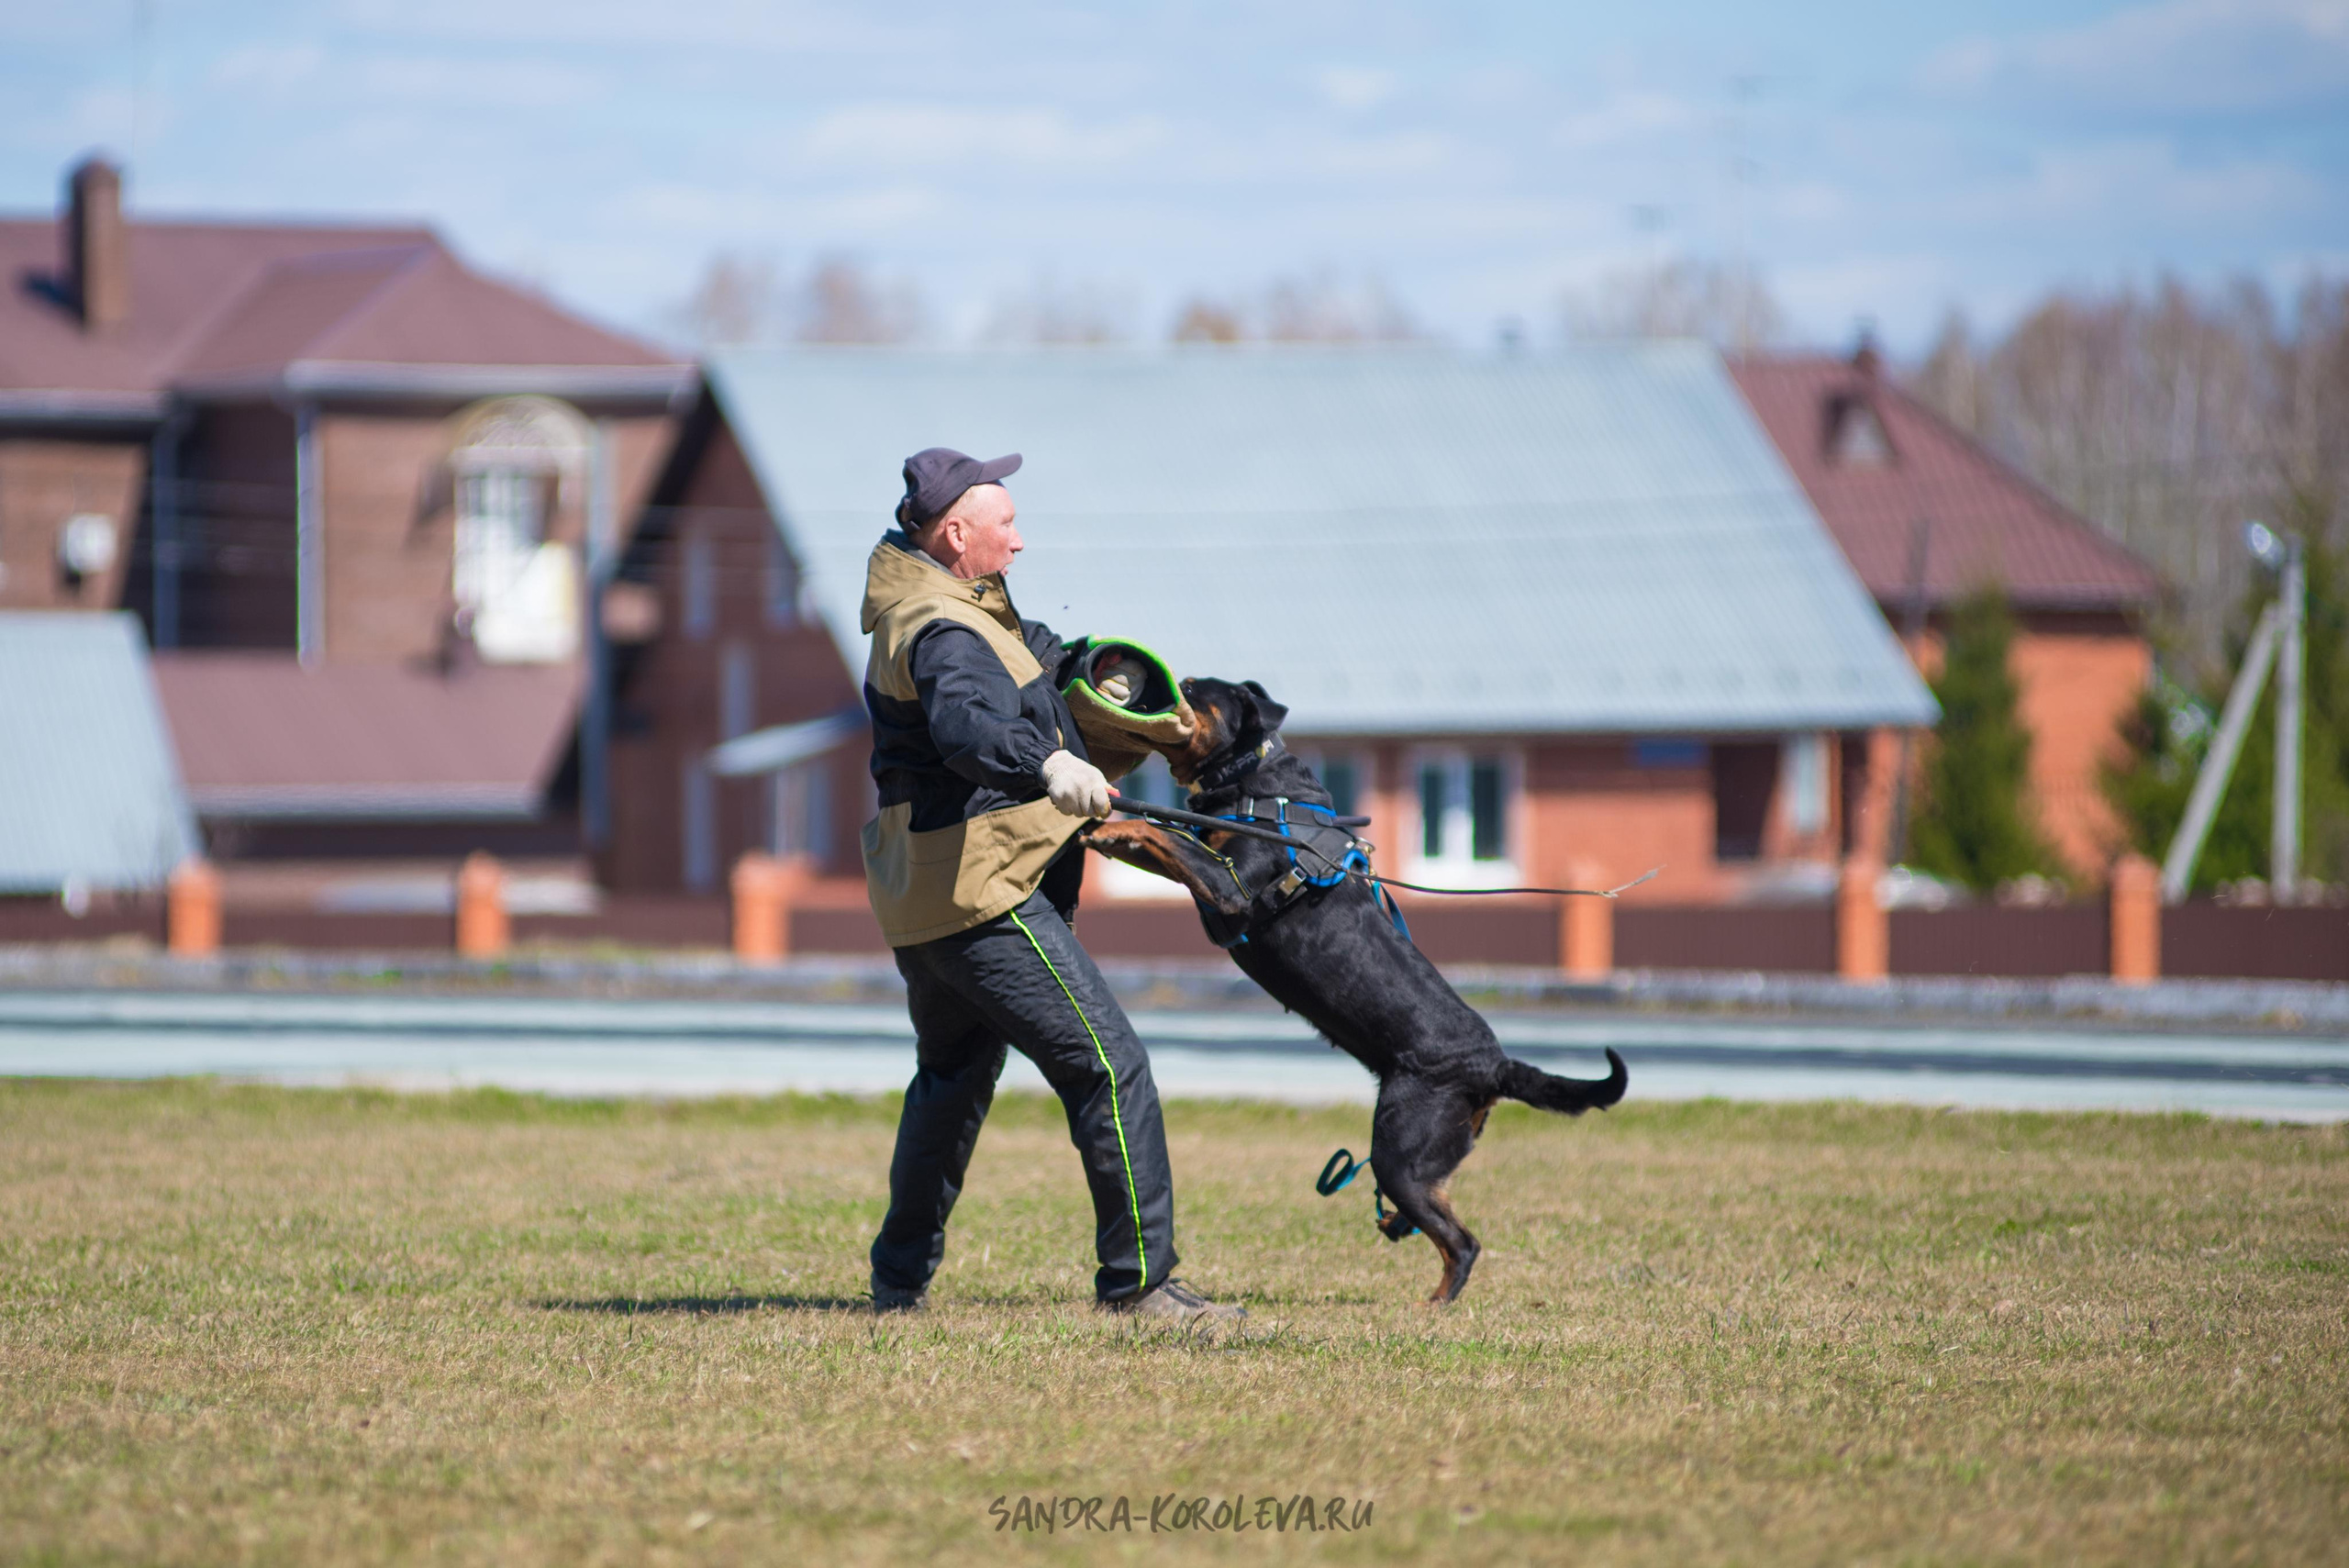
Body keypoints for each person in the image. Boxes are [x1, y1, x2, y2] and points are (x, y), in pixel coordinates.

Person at [859, 446, 1241, 1327]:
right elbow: (966, 726)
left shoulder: (955, 604)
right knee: (1110, 1066)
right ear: (957, 533)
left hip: (924, 893)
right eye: (1007, 524)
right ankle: (1140, 1286)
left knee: (951, 1077)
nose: (1021, 541)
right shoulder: (940, 629)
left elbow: (1033, 659)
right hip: (979, 893)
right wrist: (1051, 761)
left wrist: (1102, 675)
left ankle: (898, 1281)